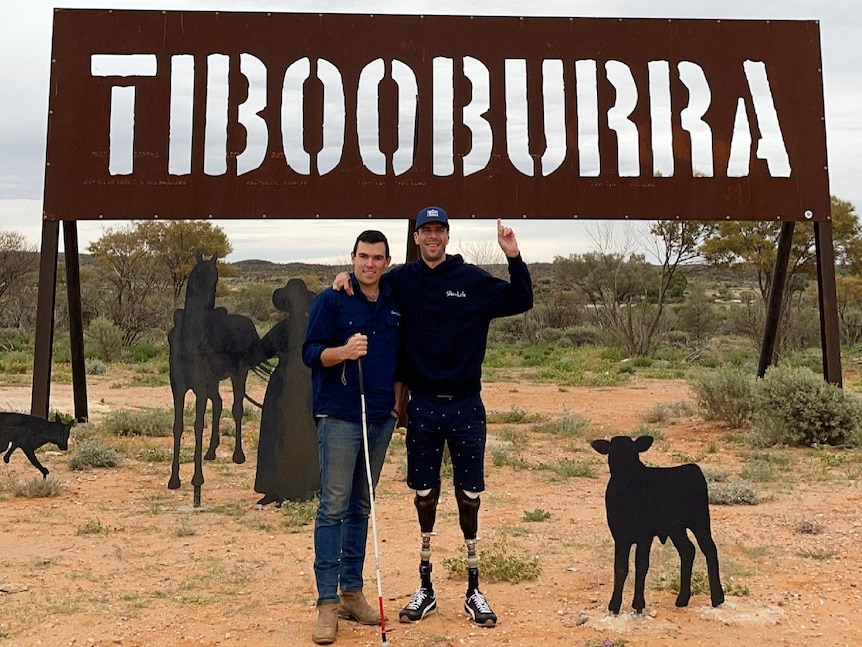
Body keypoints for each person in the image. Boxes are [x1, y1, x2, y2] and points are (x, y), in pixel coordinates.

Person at [335, 206, 533, 627]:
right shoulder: (402, 281)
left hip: (465, 404)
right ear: (417, 238)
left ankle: (474, 589)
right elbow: (366, 284)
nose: (431, 237)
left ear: (447, 235)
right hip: (422, 405)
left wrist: (513, 256)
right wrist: (343, 280)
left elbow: (522, 299)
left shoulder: (471, 280)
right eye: (425, 230)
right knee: (424, 494)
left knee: (470, 496)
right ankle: (424, 588)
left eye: (438, 230)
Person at [302, 230, 403, 645]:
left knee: (363, 504)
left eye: (377, 258)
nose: (369, 265)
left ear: (387, 261)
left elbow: (403, 359)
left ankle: (351, 590)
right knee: (333, 506)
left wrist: (396, 408)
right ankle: (327, 603)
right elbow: (310, 353)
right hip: (340, 415)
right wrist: (341, 353)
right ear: (353, 258)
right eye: (363, 257)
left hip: (380, 416)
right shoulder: (332, 299)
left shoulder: (396, 302)